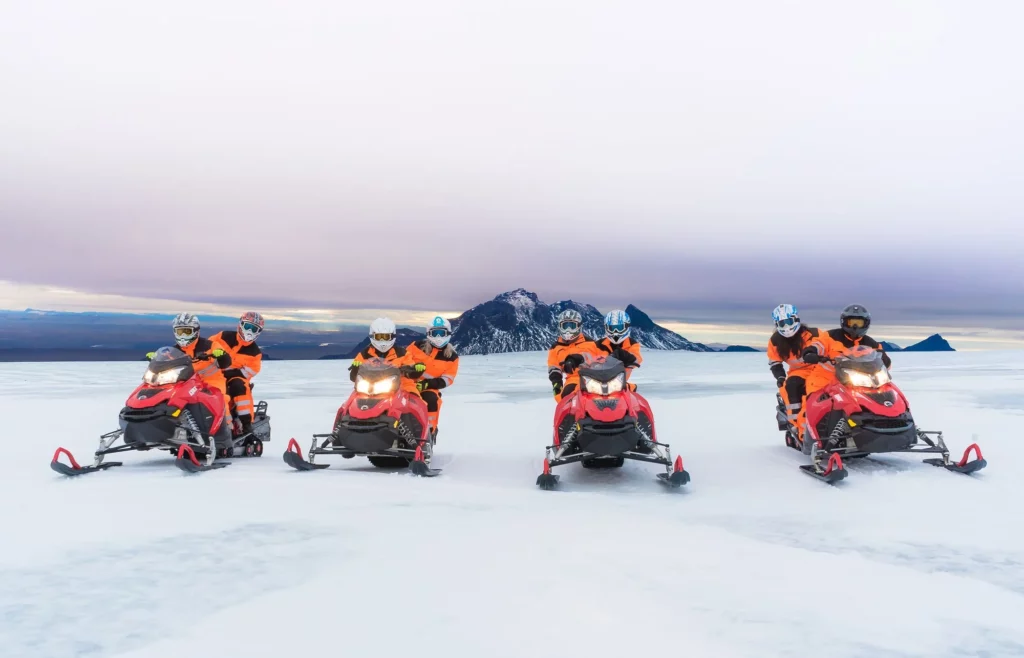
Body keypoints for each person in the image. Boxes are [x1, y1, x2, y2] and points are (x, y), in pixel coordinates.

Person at [766, 304, 828, 447]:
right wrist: (780, 377)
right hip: (798, 372)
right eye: (782, 323)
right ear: (777, 324)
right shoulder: (775, 341)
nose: (787, 326)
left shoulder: (815, 334)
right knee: (792, 388)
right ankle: (800, 428)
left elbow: (829, 346)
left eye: (789, 321)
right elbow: (775, 362)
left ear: (796, 319)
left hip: (822, 368)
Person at [148, 313, 232, 396]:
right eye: (180, 332)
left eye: (187, 332)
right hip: (185, 382)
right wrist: (157, 358)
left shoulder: (211, 345)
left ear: (195, 331)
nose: (183, 335)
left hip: (211, 381)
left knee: (218, 398)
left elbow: (226, 363)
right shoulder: (174, 351)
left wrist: (222, 355)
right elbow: (166, 360)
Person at [210, 311, 265, 435]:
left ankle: (245, 425)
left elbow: (251, 371)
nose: (250, 331)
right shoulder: (223, 336)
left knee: (240, 387)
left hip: (234, 378)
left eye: (254, 329)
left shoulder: (255, 352)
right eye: (248, 326)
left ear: (258, 332)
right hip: (211, 373)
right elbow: (207, 346)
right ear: (241, 324)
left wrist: (230, 373)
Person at [405, 316, 459, 438]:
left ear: (448, 333)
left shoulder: (452, 357)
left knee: (431, 399)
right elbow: (403, 359)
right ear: (429, 333)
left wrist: (427, 384)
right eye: (435, 333)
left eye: (441, 333)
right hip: (405, 382)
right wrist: (411, 369)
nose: (438, 336)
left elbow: (448, 379)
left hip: (428, 388)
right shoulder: (416, 346)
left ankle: (429, 432)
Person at [349, 317, 425, 393]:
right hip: (370, 387)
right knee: (355, 397)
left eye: (386, 337)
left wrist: (417, 369)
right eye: (379, 337)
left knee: (413, 396)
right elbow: (353, 378)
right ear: (373, 336)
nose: (382, 340)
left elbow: (411, 371)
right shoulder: (364, 354)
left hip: (402, 387)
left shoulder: (402, 354)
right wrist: (355, 368)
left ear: (392, 336)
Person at [546, 309, 603, 400]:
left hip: (594, 377)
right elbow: (554, 368)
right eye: (565, 326)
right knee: (567, 397)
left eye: (572, 326)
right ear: (560, 326)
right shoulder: (556, 347)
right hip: (573, 380)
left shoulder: (591, 344)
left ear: (578, 326)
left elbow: (602, 359)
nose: (568, 330)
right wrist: (557, 385)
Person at [819, 305, 892, 368]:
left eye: (859, 323)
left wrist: (885, 360)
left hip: (862, 375)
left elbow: (886, 365)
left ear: (866, 323)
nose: (855, 326)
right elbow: (818, 344)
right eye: (851, 322)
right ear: (844, 322)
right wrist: (813, 352)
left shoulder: (871, 343)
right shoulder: (830, 336)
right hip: (831, 374)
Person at [595, 309, 642, 388]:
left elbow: (637, 358)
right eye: (612, 328)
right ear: (606, 328)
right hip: (596, 381)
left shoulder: (632, 344)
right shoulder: (598, 344)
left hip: (619, 383)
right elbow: (587, 353)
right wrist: (578, 357)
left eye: (619, 328)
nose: (615, 331)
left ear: (626, 327)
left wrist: (624, 355)